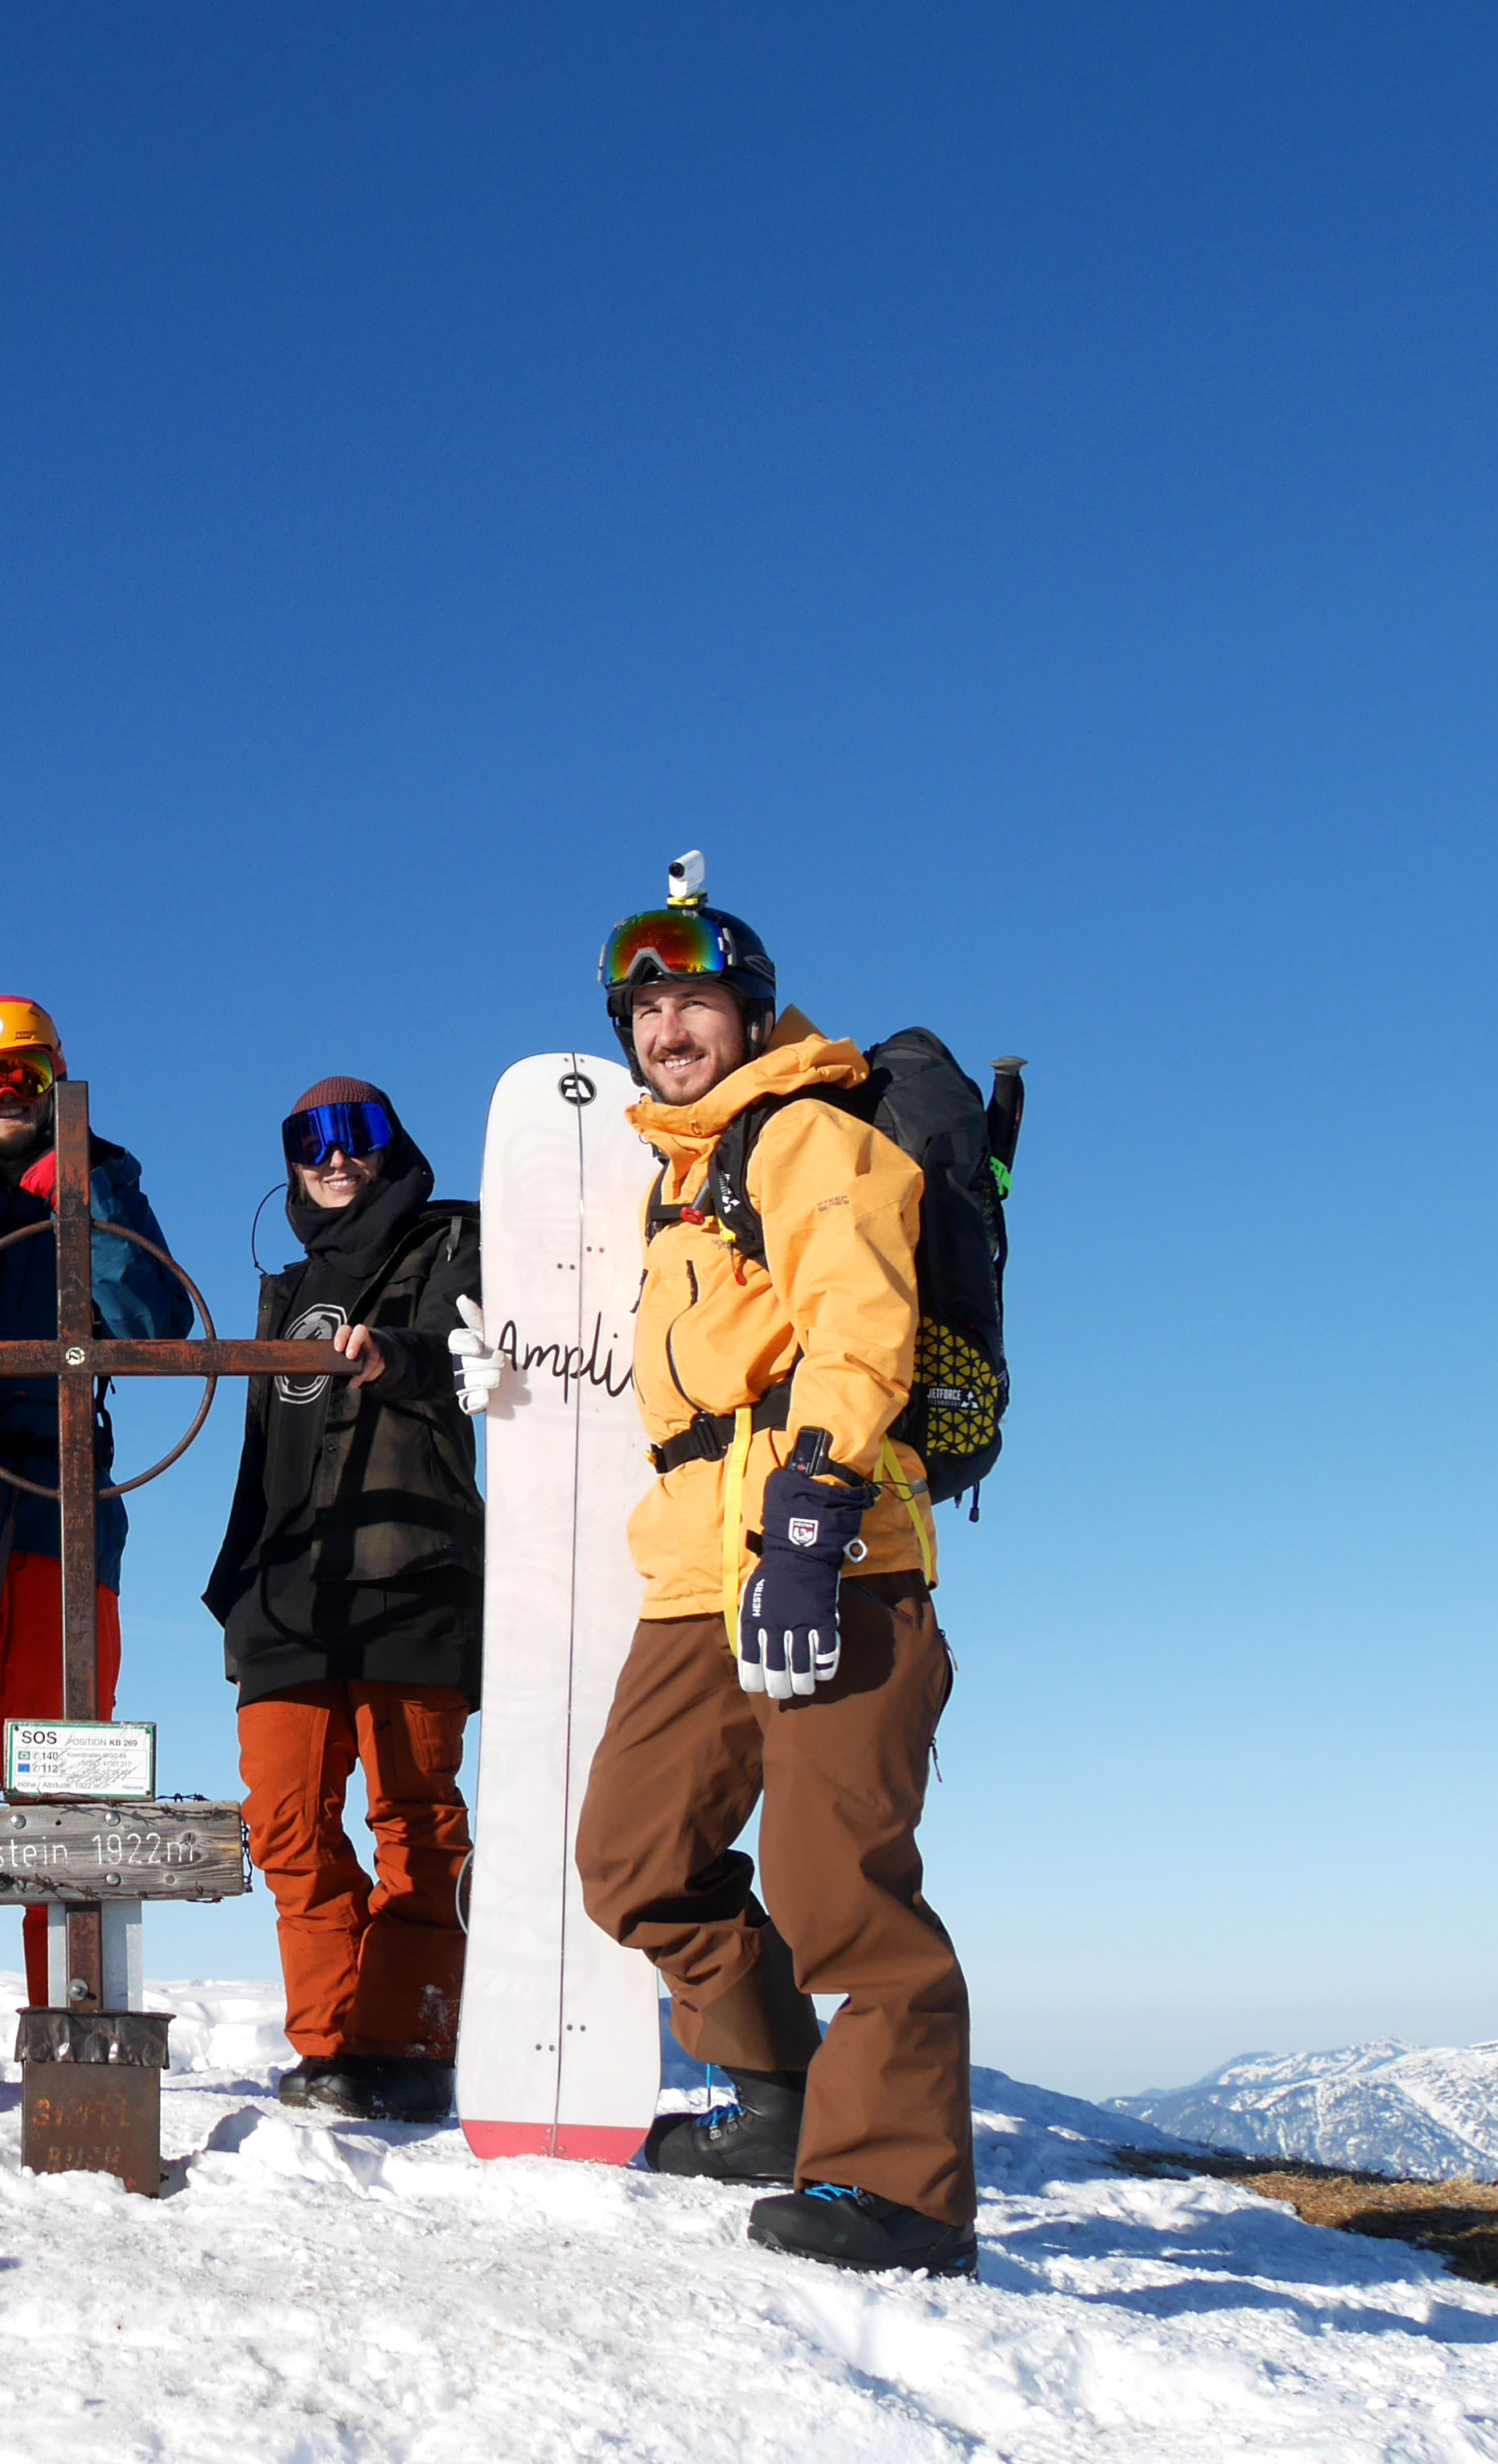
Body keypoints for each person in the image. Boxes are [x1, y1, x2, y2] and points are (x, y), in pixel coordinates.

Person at [572, 868, 978, 2277]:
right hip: (695, 1576)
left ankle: (904, 2192)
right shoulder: (681, 1182)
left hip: (836, 1557)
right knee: (633, 1857)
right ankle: (780, 2098)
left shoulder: (807, 1135)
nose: (667, 1029)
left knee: (838, 1887)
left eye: (691, 1001)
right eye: (644, 1011)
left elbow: (860, 1324)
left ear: (747, 1011)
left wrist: (810, 1520)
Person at [0, 996, 194, 2072]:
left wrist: (84, 1191)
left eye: (23, 1076)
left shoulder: (101, 1183)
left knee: (67, 1779)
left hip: (66, 1518)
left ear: (57, 1077)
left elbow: (156, 1322)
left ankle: (71, 2023)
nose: (2, 1098)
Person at [203, 1079, 490, 2124]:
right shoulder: (285, 1289)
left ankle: (405, 2042)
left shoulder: (455, 1241)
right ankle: (330, 2045)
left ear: (391, 1143)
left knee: (415, 1820)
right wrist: (236, 1578)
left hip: (413, 1567)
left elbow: (472, 1346)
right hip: (288, 1585)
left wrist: (396, 1355)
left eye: (356, 1134)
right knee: (284, 1821)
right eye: (308, 1139)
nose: (334, 1156)